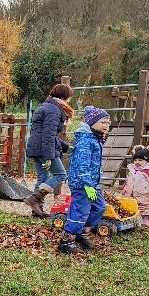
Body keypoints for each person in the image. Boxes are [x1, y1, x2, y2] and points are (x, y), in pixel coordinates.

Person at [58, 106, 111, 254]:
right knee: (80, 210)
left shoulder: (95, 138)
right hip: (82, 184)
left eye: (108, 122)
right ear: (91, 123)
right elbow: (82, 165)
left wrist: (92, 183)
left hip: (92, 183)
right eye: (103, 122)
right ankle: (66, 241)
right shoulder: (85, 141)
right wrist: (87, 184)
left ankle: (81, 232)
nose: (106, 125)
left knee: (99, 207)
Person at [23, 84, 74, 217]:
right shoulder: (54, 110)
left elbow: (45, 134)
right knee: (61, 175)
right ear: (64, 96)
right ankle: (35, 198)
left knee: (43, 177)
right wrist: (49, 156)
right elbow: (48, 136)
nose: (69, 100)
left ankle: (36, 211)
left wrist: (66, 147)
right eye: (69, 97)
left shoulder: (47, 106)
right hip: (44, 148)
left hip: (37, 146)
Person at [122, 145, 149, 227]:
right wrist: (125, 187)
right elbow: (128, 179)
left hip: (143, 192)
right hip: (131, 192)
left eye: (140, 160)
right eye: (135, 160)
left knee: (145, 205)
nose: (137, 162)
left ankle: (145, 219)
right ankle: (129, 218)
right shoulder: (133, 169)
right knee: (129, 205)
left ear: (147, 160)